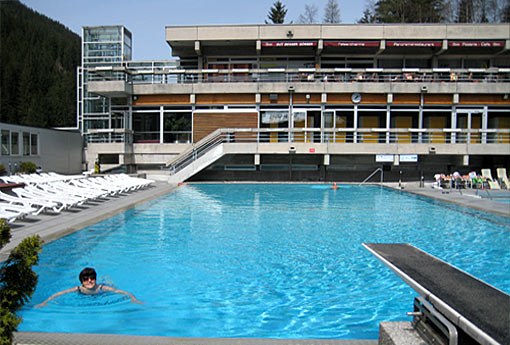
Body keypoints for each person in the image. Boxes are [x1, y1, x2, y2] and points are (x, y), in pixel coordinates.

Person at [35, 267, 142, 308]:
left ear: (95, 279)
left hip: (100, 293)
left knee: (111, 284)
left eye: (92, 278)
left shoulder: (102, 288)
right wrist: (45, 302)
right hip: (87, 295)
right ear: (82, 282)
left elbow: (122, 292)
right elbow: (58, 294)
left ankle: (107, 278)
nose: (90, 281)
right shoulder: (78, 289)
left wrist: (133, 299)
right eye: (86, 279)